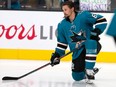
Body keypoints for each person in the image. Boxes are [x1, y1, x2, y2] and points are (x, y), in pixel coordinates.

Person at [50, 1, 107, 82]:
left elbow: (102, 20)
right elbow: (62, 43)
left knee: (90, 42)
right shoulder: (62, 25)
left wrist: (96, 32)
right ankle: (87, 71)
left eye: (66, 10)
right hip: (77, 51)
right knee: (76, 77)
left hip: (91, 46)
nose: (64, 12)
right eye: (63, 10)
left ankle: (89, 70)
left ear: (72, 9)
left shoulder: (84, 16)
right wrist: (56, 55)